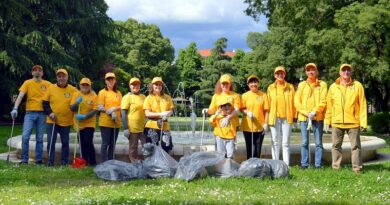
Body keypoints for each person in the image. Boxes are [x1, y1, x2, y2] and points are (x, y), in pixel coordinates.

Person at [325, 64, 367, 174]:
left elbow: (362, 104)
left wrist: (363, 122)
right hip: (337, 122)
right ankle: (336, 168)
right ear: (340, 72)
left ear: (351, 72)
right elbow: (329, 106)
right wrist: (327, 120)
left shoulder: (358, 86)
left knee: (356, 147)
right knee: (336, 146)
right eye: (344, 70)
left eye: (348, 70)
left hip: (353, 122)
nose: (346, 72)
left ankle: (357, 169)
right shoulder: (333, 87)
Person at [10, 65, 52, 165]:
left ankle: (38, 160)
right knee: (25, 137)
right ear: (32, 73)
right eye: (35, 70)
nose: (37, 72)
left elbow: (56, 93)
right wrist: (15, 108)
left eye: (39, 70)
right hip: (29, 113)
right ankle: (24, 160)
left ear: (42, 73)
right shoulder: (27, 83)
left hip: (42, 114)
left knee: (40, 138)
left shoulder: (48, 84)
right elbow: (20, 96)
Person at [294, 63, 327, 169]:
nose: (310, 72)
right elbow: (297, 102)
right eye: (308, 70)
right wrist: (306, 113)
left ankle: (318, 164)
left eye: (313, 70)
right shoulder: (302, 85)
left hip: (317, 117)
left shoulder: (322, 84)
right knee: (304, 142)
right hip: (304, 117)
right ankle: (304, 164)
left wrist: (314, 112)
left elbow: (323, 100)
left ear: (316, 72)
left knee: (318, 142)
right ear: (306, 72)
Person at [42, 68, 77, 166]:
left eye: (63, 76)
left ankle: (64, 162)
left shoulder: (73, 90)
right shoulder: (51, 88)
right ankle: (50, 161)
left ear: (67, 77)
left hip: (66, 121)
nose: (61, 78)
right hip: (52, 120)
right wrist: (50, 113)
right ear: (57, 78)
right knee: (51, 142)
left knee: (65, 142)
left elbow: (81, 98)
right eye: (59, 76)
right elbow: (45, 103)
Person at [203, 74, 241, 158]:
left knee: (231, 155)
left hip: (231, 130)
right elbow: (211, 110)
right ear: (220, 84)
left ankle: (230, 169)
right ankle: (221, 170)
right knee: (220, 155)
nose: (225, 85)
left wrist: (228, 117)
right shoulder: (216, 96)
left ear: (230, 84)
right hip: (219, 130)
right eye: (223, 84)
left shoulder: (235, 96)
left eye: (227, 83)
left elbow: (237, 109)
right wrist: (206, 110)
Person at [267, 66, 296, 166]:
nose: (280, 75)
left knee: (286, 142)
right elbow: (268, 104)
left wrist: (295, 117)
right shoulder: (270, 88)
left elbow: (294, 102)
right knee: (275, 141)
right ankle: (275, 164)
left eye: (281, 73)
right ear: (275, 75)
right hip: (274, 117)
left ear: (284, 74)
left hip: (287, 118)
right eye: (277, 73)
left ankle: (286, 165)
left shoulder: (290, 87)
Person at [70, 78, 98, 166]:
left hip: (89, 123)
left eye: (87, 85)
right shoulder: (76, 94)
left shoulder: (94, 96)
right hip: (78, 123)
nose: (85, 86)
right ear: (80, 85)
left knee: (88, 141)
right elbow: (72, 108)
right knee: (81, 143)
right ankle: (84, 162)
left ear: (90, 86)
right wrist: (77, 103)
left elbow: (95, 110)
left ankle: (93, 162)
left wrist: (85, 116)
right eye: (83, 85)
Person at [241, 75, 269, 159]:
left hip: (260, 126)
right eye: (251, 82)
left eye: (255, 82)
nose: (253, 84)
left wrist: (266, 124)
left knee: (258, 147)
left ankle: (257, 166)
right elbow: (241, 109)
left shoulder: (263, 95)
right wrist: (247, 112)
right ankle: (249, 166)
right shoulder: (244, 96)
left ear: (258, 83)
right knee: (249, 147)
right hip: (248, 126)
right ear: (248, 84)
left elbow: (266, 111)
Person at [143, 77, 174, 153]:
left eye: (160, 84)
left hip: (165, 125)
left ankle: (165, 164)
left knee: (166, 146)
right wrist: (160, 114)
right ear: (152, 86)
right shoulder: (148, 98)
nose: (158, 86)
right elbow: (147, 113)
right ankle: (151, 164)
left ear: (162, 86)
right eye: (156, 84)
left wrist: (167, 114)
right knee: (151, 148)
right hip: (151, 126)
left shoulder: (167, 97)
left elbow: (171, 111)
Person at [97, 72, 122, 162]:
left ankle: (111, 162)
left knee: (113, 144)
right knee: (105, 143)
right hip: (105, 123)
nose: (110, 81)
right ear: (105, 81)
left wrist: (115, 108)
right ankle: (104, 163)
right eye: (108, 79)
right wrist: (110, 112)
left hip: (116, 122)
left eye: (112, 79)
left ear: (115, 80)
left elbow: (122, 106)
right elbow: (100, 107)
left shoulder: (118, 93)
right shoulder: (102, 92)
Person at [121, 77, 146, 163]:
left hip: (143, 127)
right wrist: (125, 128)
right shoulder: (127, 97)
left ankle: (147, 164)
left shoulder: (143, 97)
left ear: (140, 85)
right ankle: (134, 165)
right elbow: (123, 113)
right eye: (133, 84)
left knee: (146, 147)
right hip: (132, 128)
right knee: (133, 148)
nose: (135, 86)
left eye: (137, 84)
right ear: (130, 86)